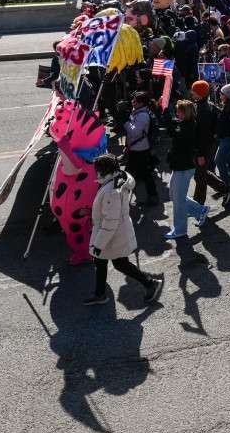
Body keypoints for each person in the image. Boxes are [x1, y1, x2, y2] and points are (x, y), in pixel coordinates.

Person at [86, 154, 163, 306]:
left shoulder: (111, 192)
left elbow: (110, 222)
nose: (96, 173)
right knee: (106, 262)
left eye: (98, 170)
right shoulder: (117, 180)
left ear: (105, 171)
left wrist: (98, 244)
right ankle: (101, 293)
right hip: (117, 233)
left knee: (117, 263)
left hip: (113, 236)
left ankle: (150, 284)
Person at [163, 99, 210, 240]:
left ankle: (180, 230)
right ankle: (200, 210)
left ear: (186, 113)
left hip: (184, 167)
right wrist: (163, 112)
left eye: (179, 111)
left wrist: (166, 116)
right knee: (174, 196)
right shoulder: (185, 123)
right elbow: (173, 126)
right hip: (180, 166)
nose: (176, 113)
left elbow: (176, 133)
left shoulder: (189, 127)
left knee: (179, 200)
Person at [124, 91, 160, 205]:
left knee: (139, 173)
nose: (132, 102)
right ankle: (151, 196)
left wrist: (125, 122)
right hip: (136, 148)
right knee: (139, 173)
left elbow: (135, 132)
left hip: (140, 150)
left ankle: (153, 196)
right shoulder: (138, 112)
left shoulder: (143, 115)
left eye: (134, 100)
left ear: (141, 103)